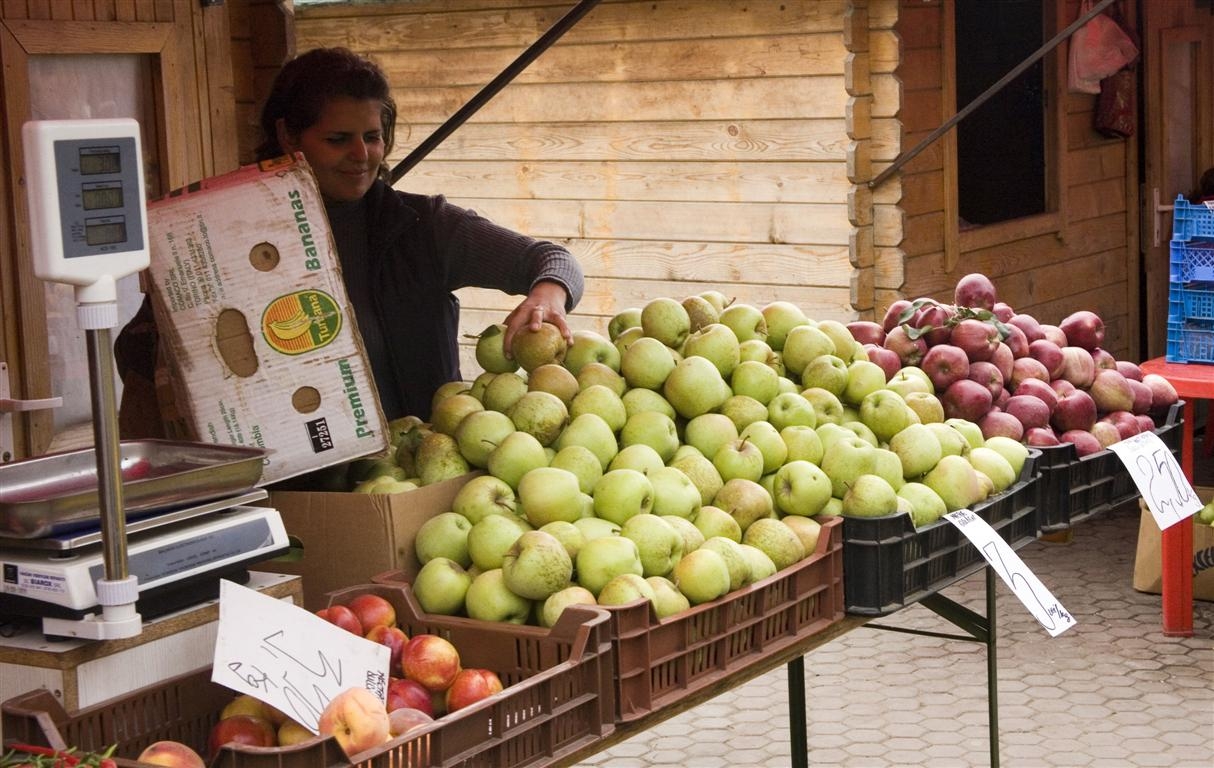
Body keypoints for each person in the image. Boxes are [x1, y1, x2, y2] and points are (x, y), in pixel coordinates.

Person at [117, 47, 583, 430]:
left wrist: (548, 294)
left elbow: (550, 259)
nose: (362, 155)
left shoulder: (424, 226)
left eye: (373, 137)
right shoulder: (231, 235)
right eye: (338, 139)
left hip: (418, 471)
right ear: (286, 135)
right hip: (294, 488)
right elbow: (137, 350)